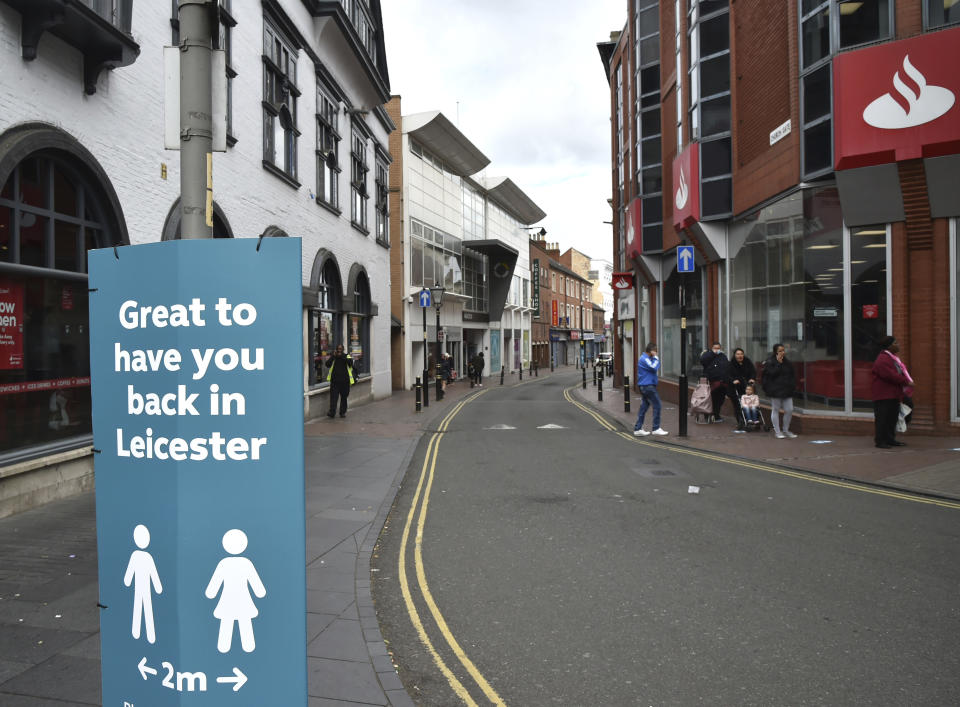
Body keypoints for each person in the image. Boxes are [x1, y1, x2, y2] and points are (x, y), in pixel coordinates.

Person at [871, 335, 912, 449]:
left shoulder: (892, 358)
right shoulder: (882, 359)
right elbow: (890, 375)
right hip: (883, 395)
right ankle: (880, 441)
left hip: (893, 394)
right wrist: (906, 381)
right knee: (883, 419)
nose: (898, 345)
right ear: (889, 346)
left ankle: (890, 439)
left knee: (892, 418)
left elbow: (898, 372)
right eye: (896, 343)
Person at [760, 343, 797, 439]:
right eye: (780, 351)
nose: (782, 353)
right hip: (775, 390)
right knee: (776, 409)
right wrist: (778, 364)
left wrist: (792, 386)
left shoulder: (787, 362)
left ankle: (786, 430)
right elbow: (771, 374)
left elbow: (792, 375)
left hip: (786, 389)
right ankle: (778, 431)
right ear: (775, 352)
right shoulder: (770, 362)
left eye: (783, 350)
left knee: (789, 409)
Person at [633, 342, 668, 437]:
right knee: (657, 405)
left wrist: (654, 358)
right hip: (647, 386)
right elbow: (654, 367)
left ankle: (638, 428)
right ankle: (656, 428)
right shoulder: (645, 359)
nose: (656, 353)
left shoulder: (646, 358)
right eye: (655, 351)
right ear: (651, 351)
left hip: (645, 386)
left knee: (644, 407)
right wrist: (656, 358)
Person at [726, 347, 757, 431]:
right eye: (738, 354)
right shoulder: (731, 364)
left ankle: (751, 420)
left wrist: (752, 378)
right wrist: (733, 380)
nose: (740, 356)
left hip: (747, 387)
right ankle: (740, 421)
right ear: (735, 355)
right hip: (735, 388)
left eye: (741, 354)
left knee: (750, 404)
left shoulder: (747, 362)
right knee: (738, 405)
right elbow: (727, 375)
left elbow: (753, 371)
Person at [700, 342, 730, 423]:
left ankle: (716, 414)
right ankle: (708, 415)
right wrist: (712, 353)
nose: (717, 350)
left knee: (719, 399)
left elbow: (726, 365)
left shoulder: (723, 356)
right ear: (712, 348)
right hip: (711, 381)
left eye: (718, 348)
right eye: (715, 348)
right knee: (710, 399)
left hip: (722, 382)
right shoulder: (707, 354)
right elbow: (703, 360)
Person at [325, 344, 354, 418]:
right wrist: (333, 356)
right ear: (336, 349)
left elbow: (351, 363)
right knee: (333, 398)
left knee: (344, 398)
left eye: (341, 349)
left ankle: (342, 412)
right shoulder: (334, 357)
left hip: (345, 382)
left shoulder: (347, 356)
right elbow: (327, 364)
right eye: (338, 349)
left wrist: (341, 356)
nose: (339, 350)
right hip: (335, 381)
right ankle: (332, 412)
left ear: (343, 349)